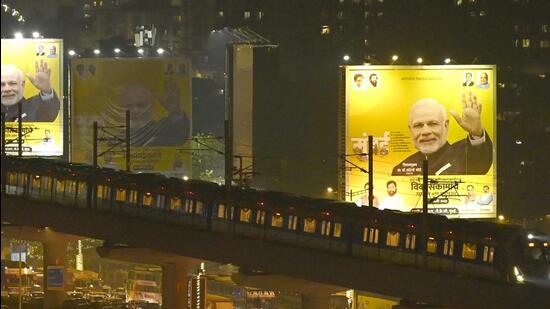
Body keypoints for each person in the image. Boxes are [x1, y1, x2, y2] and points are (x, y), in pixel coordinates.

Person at [392, 95, 492, 176]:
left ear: (446, 125)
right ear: (410, 130)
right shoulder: (401, 169)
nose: (425, 131)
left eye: (433, 124)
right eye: (418, 125)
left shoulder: (464, 155)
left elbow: (480, 162)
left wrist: (477, 134)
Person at [113, 82, 190, 147]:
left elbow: (179, 136)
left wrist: (176, 110)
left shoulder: (162, 130)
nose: (135, 110)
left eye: (140, 105)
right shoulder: (116, 140)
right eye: (129, 106)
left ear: (150, 107)